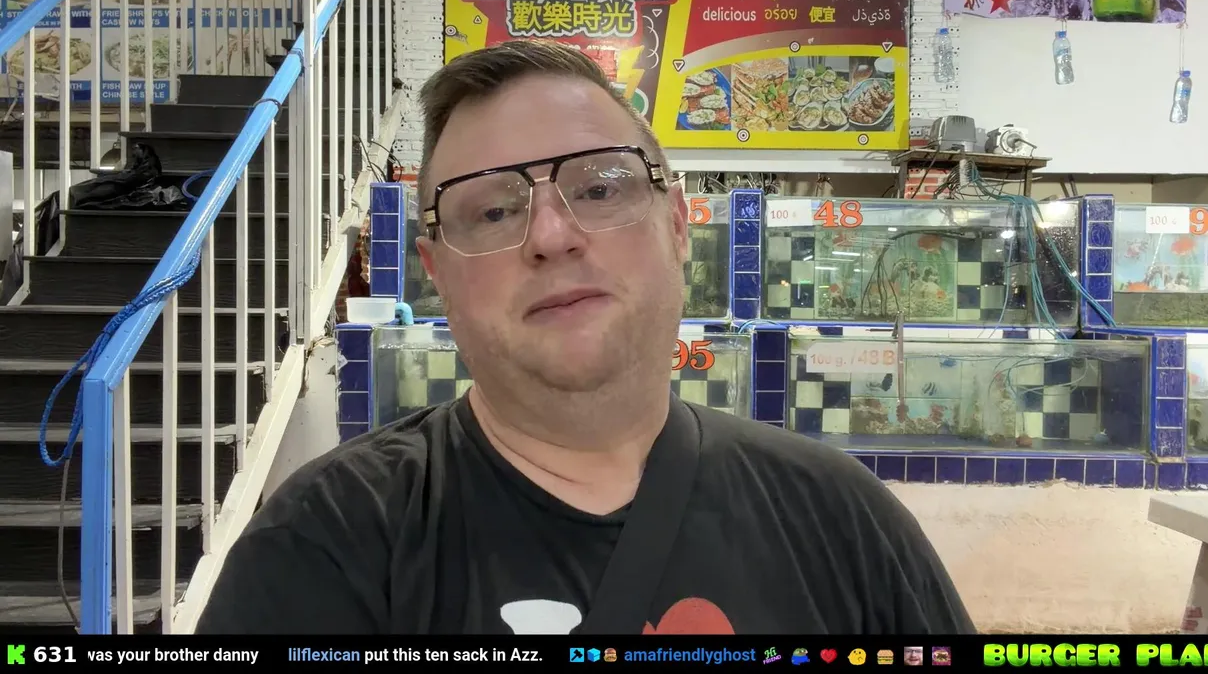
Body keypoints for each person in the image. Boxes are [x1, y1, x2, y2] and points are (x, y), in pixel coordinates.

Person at [195, 41, 974, 635]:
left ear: (678, 226)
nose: (551, 235)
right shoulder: (324, 547)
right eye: (491, 210)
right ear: (438, 272)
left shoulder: (843, 523)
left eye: (600, 188)